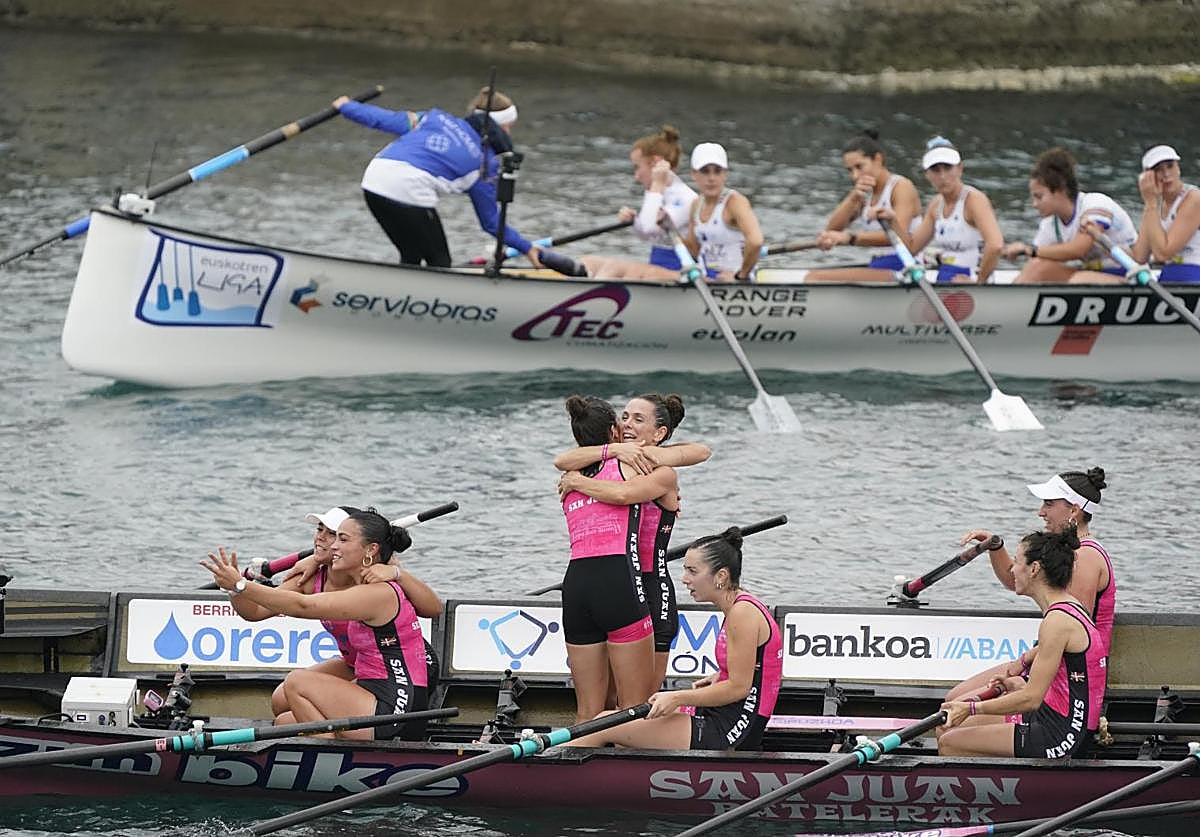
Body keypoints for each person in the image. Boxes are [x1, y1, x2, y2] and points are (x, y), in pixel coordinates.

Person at [201, 508, 441, 740]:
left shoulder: (378, 592)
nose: (331, 543)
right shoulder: (329, 574)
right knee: (285, 721)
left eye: (341, 538)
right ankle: (328, 738)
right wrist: (234, 590)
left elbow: (303, 606)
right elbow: (256, 612)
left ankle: (329, 746)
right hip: (376, 683)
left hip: (397, 708)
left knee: (297, 683)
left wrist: (242, 585)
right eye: (323, 531)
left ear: (371, 549)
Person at [565, 527, 783, 751]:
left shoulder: (742, 614)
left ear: (721, 576)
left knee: (602, 725)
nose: (685, 579)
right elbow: (759, 667)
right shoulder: (742, 605)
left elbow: (739, 688)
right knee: (624, 718)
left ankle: (552, 764)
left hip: (733, 728)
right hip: (729, 713)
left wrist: (678, 697)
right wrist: (721, 675)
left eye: (692, 571)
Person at [555, 393, 711, 693]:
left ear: (659, 433)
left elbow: (701, 451)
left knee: (641, 701)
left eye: (638, 419)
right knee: (609, 699)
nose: (627, 424)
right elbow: (562, 460)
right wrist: (615, 450)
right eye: (624, 417)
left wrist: (578, 482)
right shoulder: (609, 460)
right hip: (616, 586)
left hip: (650, 587)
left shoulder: (656, 464)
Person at [937, 528, 1107, 758]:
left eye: (1017, 561)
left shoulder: (1057, 621)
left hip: (1061, 735)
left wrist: (971, 708)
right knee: (946, 726)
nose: (1013, 569)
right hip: (1052, 715)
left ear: (1034, 569)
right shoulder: (1068, 606)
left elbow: (1031, 699)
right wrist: (1015, 685)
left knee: (949, 742)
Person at [948, 467, 1112, 701]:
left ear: (1074, 510)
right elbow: (1016, 580)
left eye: (1048, 504)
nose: (1040, 512)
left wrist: (1023, 662)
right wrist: (996, 547)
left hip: (1072, 676)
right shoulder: (1064, 549)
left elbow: (1075, 628)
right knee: (954, 697)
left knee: (956, 704)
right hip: (1050, 659)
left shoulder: (1085, 557)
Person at [333, 86, 542, 269]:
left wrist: (347, 106)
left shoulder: (433, 119)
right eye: (509, 127)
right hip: (408, 190)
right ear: (499, 126)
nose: (509, 134)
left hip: (374, 180)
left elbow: (383, 119)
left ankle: (397, 295)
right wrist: (526, 248)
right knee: (440, 262)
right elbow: (491, 222)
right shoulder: (485, 164)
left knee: (412, 254)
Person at [875, 137, 1003, 283]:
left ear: (960, 168)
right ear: (927, 175)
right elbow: (912, 248)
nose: (942, 176)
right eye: (935, 170)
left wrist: (979, 282)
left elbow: (996, 245)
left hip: (971, 280)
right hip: (946, 278)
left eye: (948, 168)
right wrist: (893, 221)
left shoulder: (974, 200)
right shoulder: (936, 205)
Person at [1001, 147, 1136, 284]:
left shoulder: (1095, 204)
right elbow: (1035, 258)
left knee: (1080, 280)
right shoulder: (1050, 224)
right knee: (1035, 267)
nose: (1034, 204)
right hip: (1094, 273)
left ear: (1061, 189)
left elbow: (1078, 250)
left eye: (1039, 197)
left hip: (1131, 274)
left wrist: (1026, 250)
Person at [579, 126, 698, 281]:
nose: (636, 176)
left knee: (614, 267)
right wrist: (633, 222)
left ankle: (590, 293)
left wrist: (656, 186)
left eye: (637, 167)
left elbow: (649, 228)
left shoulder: (685, 198)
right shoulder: (659, 194)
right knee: (588, 262)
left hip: (683, 272)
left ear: (655, 163)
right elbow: (646, 236)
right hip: (659, 268)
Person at [804, 130, 922, 283]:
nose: (855, 176)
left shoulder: (901, 187)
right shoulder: (865, 193)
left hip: (906, 265)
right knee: (815, 275)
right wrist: (853, 197)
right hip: (879, 263)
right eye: (850, 170)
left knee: (813, 278)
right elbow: (831, 230)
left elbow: (900, 236)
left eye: (859, 167)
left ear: (878, 159)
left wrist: (850, 238)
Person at [682, 143, 765, 281]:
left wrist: (741, 276)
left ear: (725, 174)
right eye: (705, 171)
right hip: (708, 279)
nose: (711, 178)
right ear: (694, 174)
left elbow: (756, 241)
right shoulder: (696, 205)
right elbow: (693, 249)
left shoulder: (735, 202)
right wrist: (668, 224)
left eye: (717, 171)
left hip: (737, 281)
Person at [1131, 144, 1200, 282]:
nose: (1166, 174)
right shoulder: (1155, 204)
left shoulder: (1194, 198)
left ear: (1178, 168)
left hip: (1193, 271)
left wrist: (1150, 204)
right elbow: (1139, 256)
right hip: (1171, 273)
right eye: (1158, 169)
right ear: (1148, 177)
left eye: (1170, 166)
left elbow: (1163, 254)